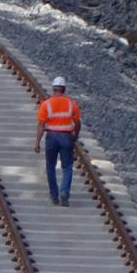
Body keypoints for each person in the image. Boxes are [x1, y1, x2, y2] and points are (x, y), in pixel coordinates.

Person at [34, 77, 81, 206]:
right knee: (67, 167)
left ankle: (54, 195)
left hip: (52, 137)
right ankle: (64, 192)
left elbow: (41, 125)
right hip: (66, 137)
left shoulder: (46, 104)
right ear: (64, 89)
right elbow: (77, 123)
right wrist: (75, 136)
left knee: (50, 166)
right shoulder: (72, 104)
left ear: (53, 89)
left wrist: (37, 142)